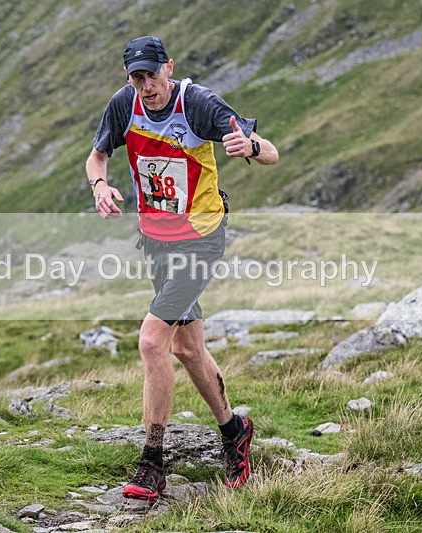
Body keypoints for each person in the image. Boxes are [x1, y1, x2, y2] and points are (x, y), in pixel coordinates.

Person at [85, 36, 279, 501]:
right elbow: (98, 155)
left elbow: (271, 151)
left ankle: (152, 463)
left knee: (153, 341)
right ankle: (234, 431)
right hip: (157, 242)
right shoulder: (122, 105)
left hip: (200, 238)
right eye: (137, 77)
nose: (146, 84)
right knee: (189, 351)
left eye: (152, 74)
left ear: (169, 68)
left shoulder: (198, 103)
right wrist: (99, 186)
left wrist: (249, 147)